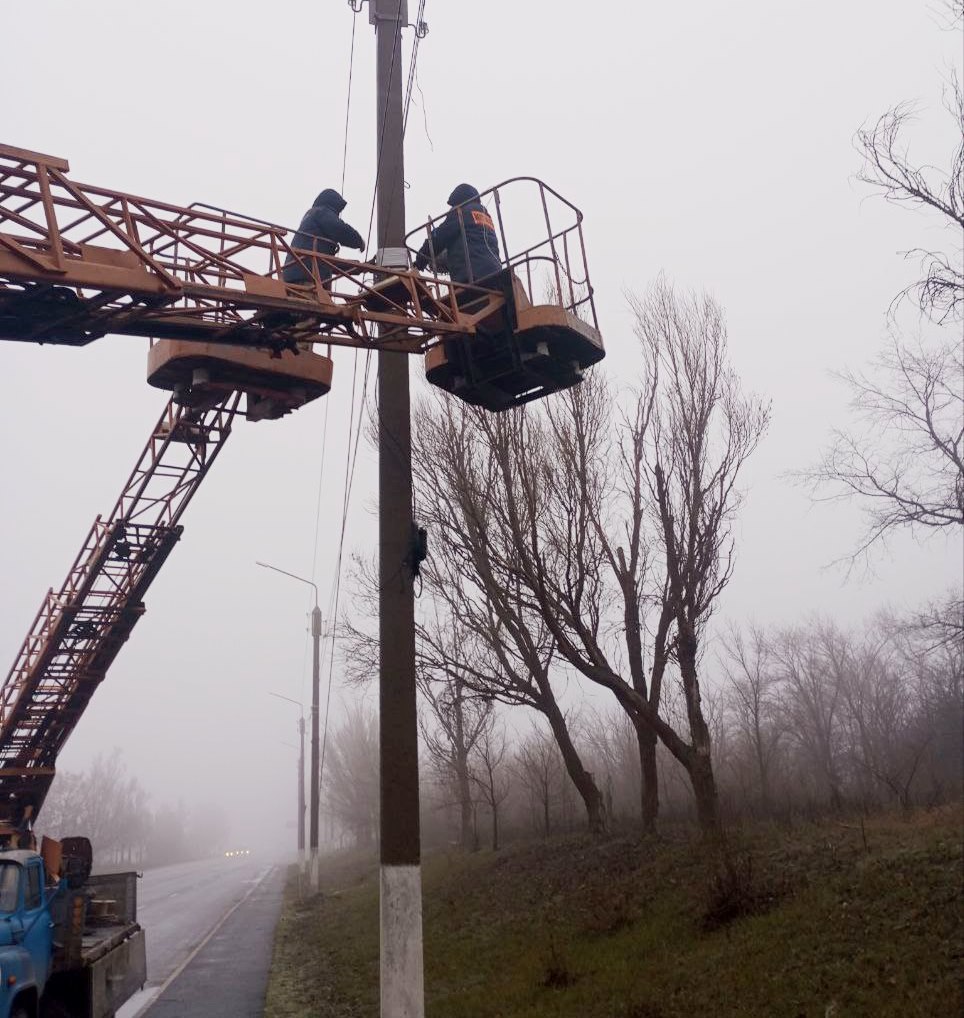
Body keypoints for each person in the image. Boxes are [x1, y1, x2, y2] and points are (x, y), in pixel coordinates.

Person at [414, 183, 502, 286]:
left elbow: (438, 238)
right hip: (496, 274)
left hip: (472, 277)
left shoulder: (461, 211)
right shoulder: (485, 216)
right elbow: (472, 246)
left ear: (459, 201)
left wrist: (420, 261)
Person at [282, 189, 364, 285]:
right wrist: (359, 241)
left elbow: (327, 264)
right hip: (307, 279)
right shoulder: (321, 212)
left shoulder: (311, 224)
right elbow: (340, 229)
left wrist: (361, 267)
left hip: (293, 277)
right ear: (332, 204)